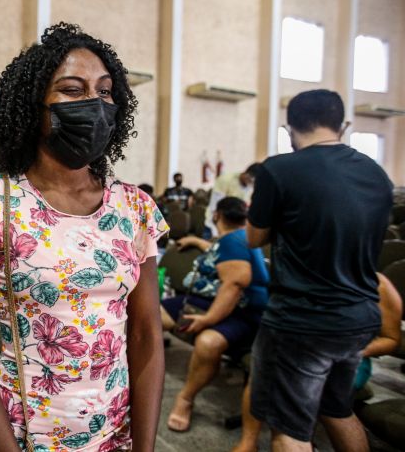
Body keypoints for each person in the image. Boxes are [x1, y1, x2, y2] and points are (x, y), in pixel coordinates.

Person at [0, 23, 169, 452]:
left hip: (115, 435)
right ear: (35, 107)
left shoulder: (134, 208)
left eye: (105, 92)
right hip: (20, 435)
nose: (95, 104)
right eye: (71, 90)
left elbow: (145, 337)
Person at [246, 89, 393, 452]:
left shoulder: (279, 169)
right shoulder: (377, 174)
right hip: (359, 317)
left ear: (289, 127)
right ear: (343, 125)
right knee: (337, 409)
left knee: (289, 430)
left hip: (303, 321)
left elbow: (254, 237)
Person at [231, 272, 402, 452]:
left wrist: (346, 349)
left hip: (351, 358)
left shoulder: (378, 284)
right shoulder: (313, 277)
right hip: (303, 352)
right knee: (263, 374)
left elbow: (391, 340)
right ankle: (249, 442)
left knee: (309, 398)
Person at [160, 197, 269, 432]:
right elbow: (222, 253)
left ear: (216, 215)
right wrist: (198, 241)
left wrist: (208, 320)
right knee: (151, 314)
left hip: (243, 312)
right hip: (205, 299)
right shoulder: (236, 238)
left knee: (208, 343)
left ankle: (185, 399)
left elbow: (236, 283)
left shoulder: (234, 240)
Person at [205, 163, 260, 237]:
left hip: (234, 227)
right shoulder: (225, 180)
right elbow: (214, 208)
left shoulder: (250, 187)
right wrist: (218, 231)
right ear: (246, 174)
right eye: (251, 181)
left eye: (254, 183)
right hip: (215, 224)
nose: (251, 185)